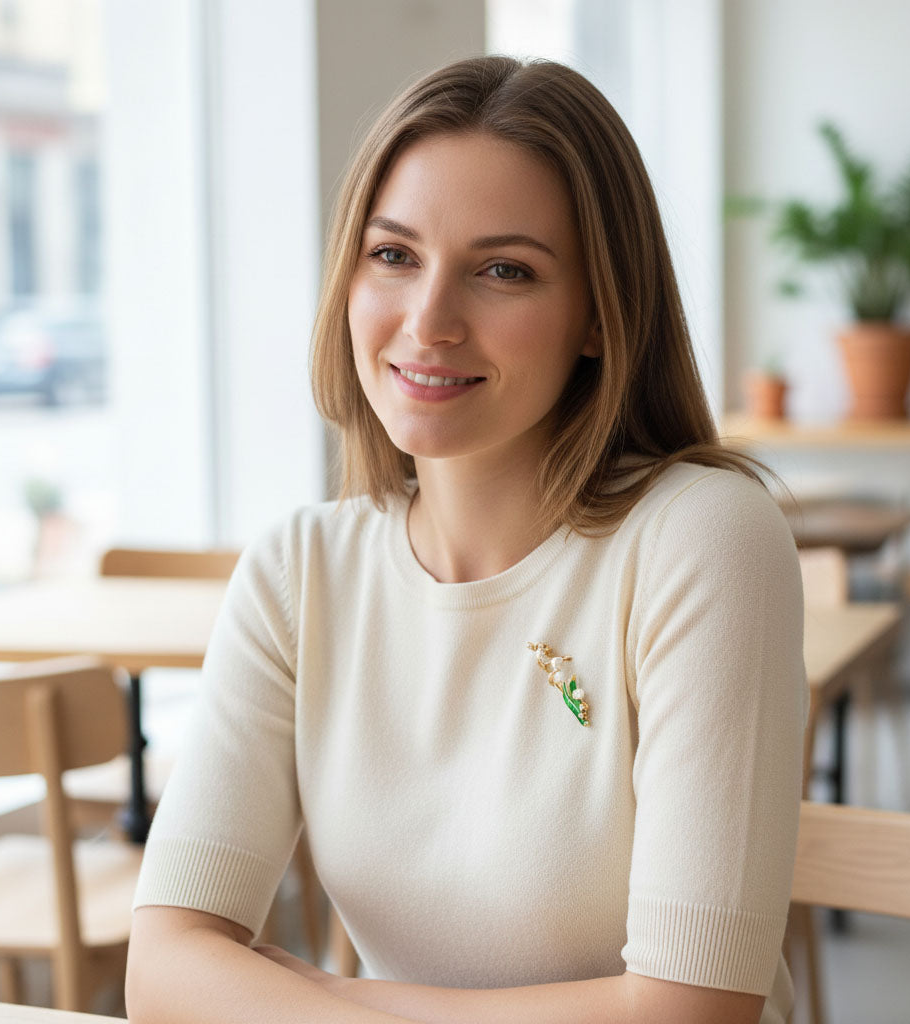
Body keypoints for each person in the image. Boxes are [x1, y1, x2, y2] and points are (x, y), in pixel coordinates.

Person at [125, 55, 806, 1024]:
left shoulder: (701, 538)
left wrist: (321, 997)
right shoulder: (299, 571)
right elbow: (161, 974)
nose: (428, 321)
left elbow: (690, 1010)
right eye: (393, 255)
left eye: (503, 271)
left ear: (600, 317)